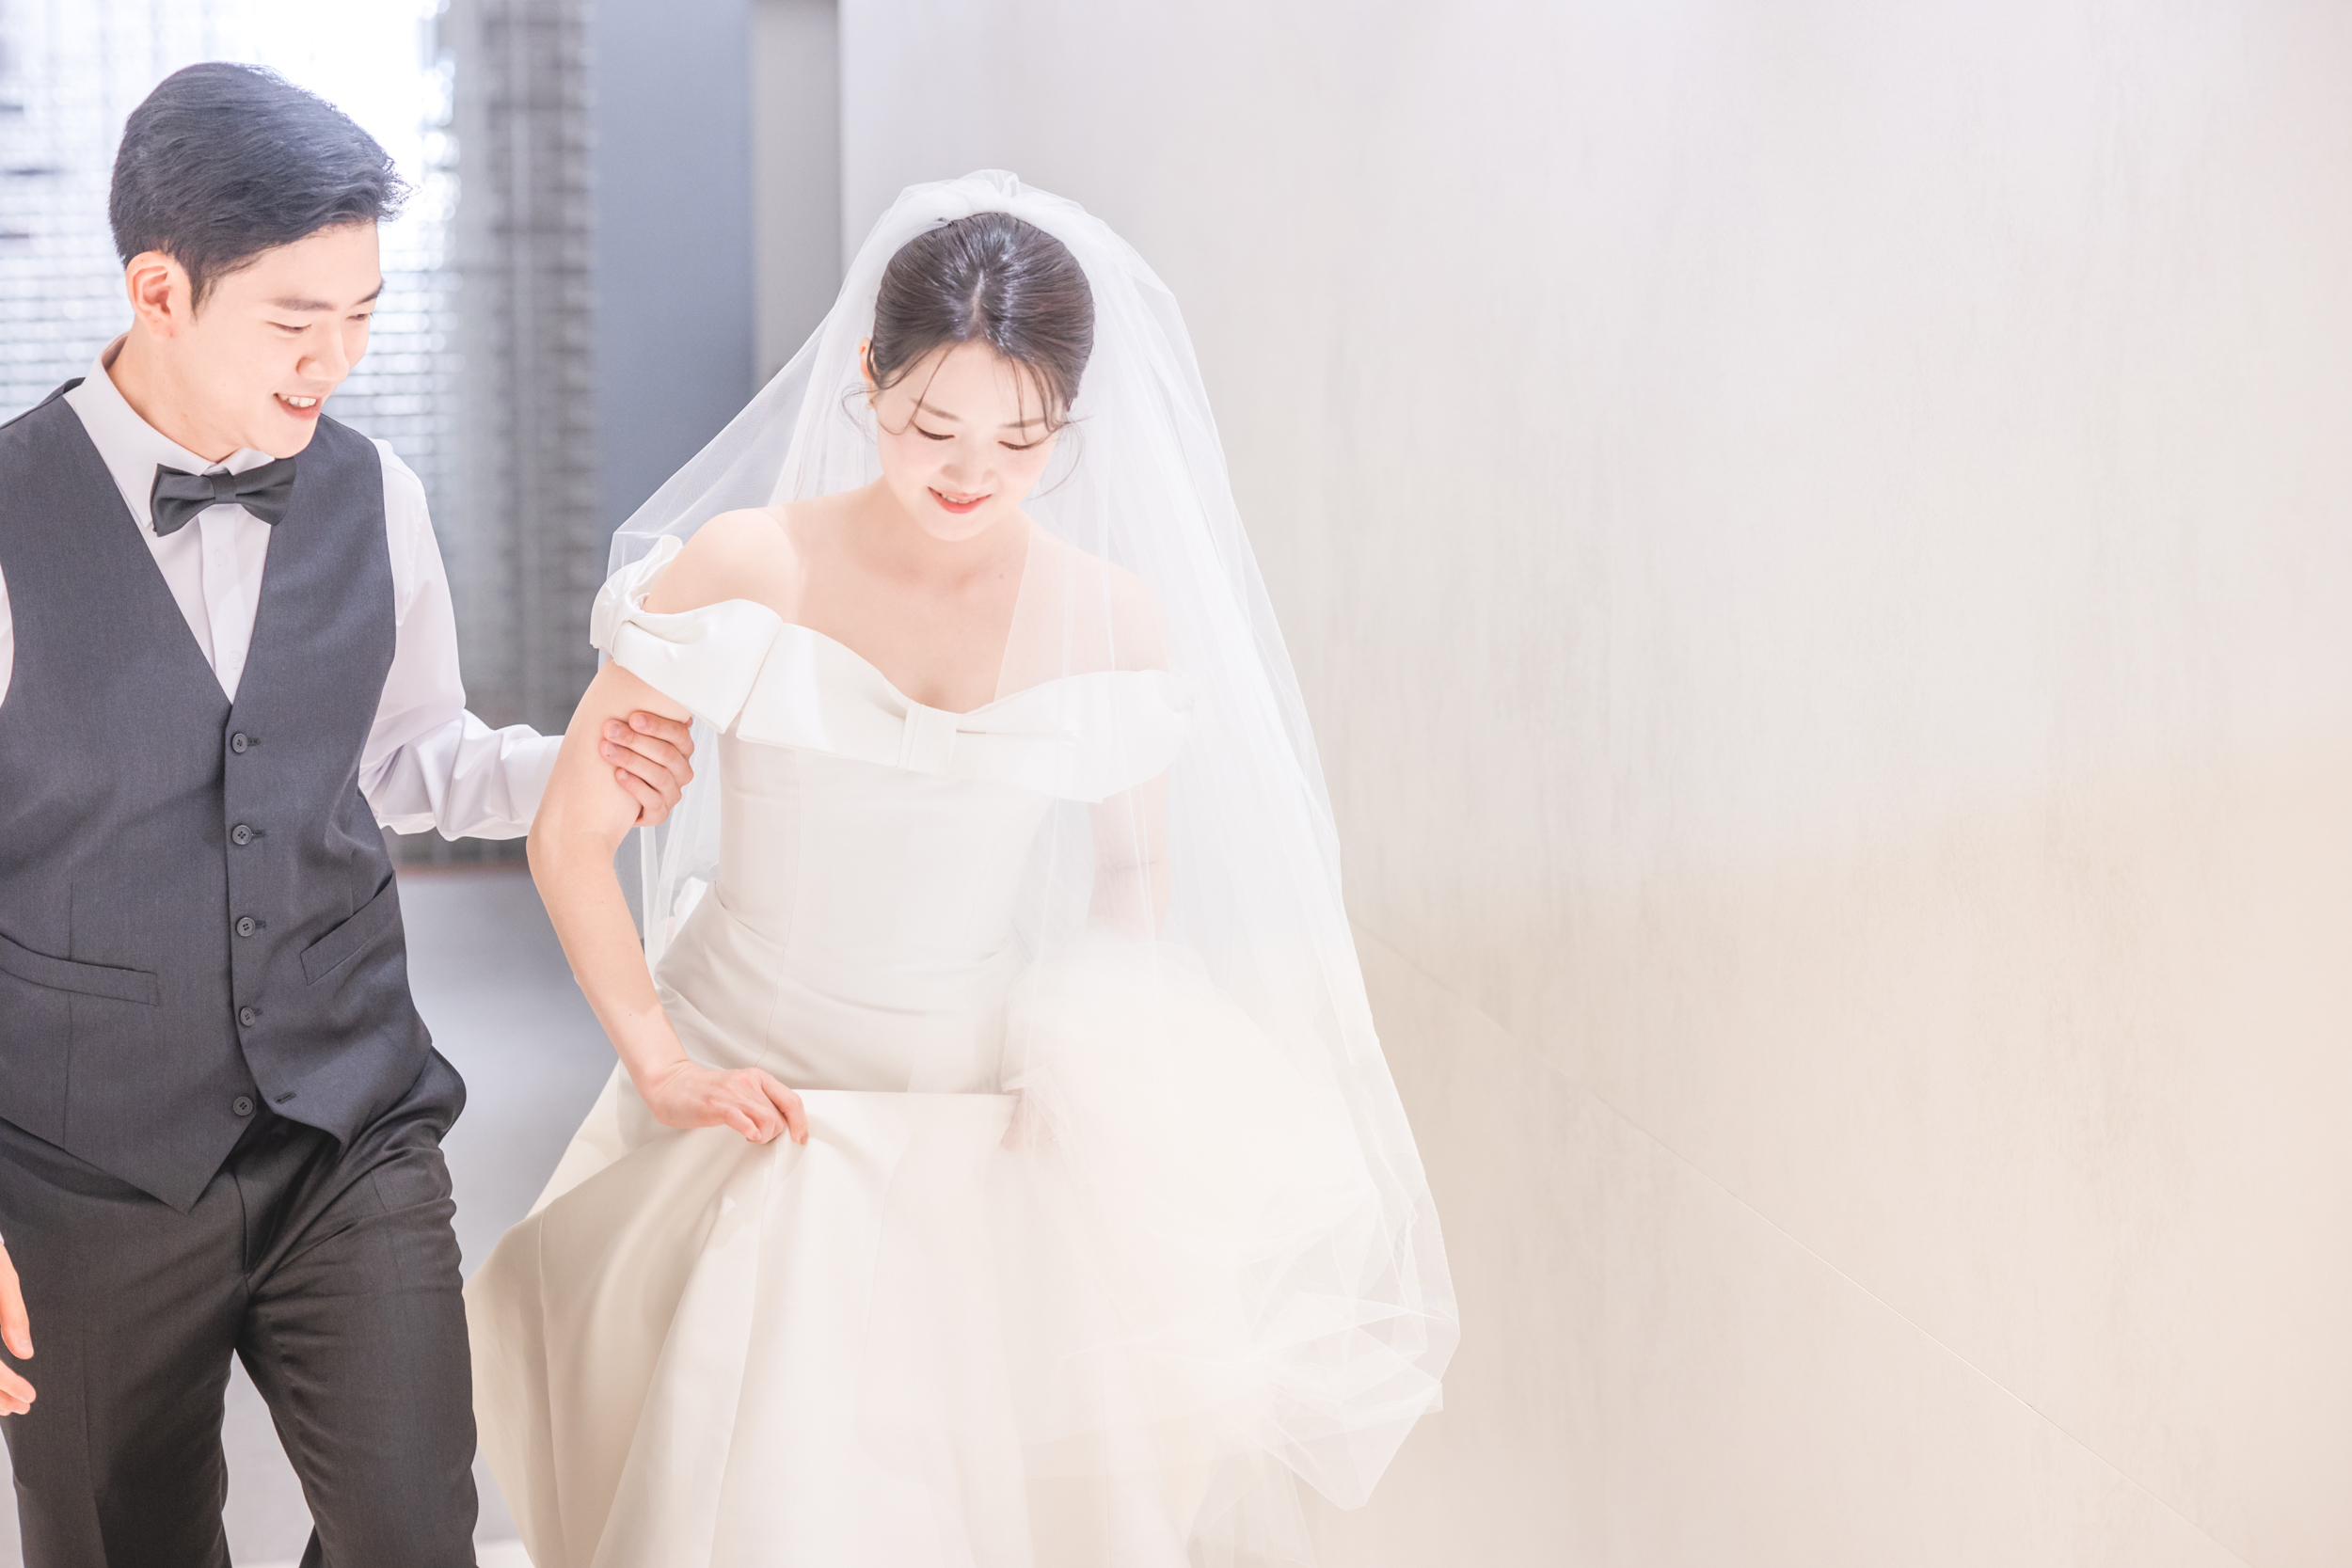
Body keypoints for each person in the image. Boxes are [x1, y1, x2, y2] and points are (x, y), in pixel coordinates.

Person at [468, 172, 1457, 1567]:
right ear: (870, 378)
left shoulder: (1109, 617)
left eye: (1020, 440)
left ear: (1070, 424)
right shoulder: (753, 567)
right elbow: (569, 833)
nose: (968, 472)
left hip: (972, 1108)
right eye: (933, 426)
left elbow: (1135, 872)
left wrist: (1076, 1056)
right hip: (752, 1078)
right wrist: (663, 1065)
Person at [0, 63, 694, 1567]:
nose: (338, 361)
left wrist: (586, 767)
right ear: (160, 291)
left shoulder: (377, 495)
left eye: (364, 314)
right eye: (297, 322)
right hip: (78, 1167)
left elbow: (410, 756)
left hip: (347, 1120)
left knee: (414, 1532)